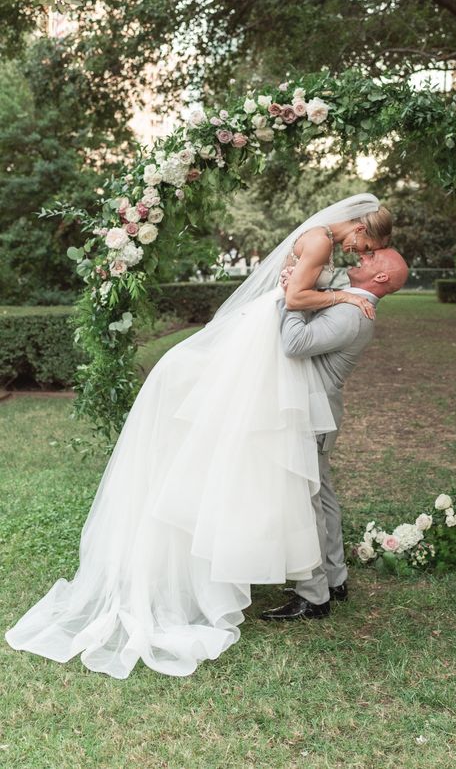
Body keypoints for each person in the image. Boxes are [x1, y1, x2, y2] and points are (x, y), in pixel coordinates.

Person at [5, 194, 392, 679]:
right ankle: (312, 579)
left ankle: (319, 578)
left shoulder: (323, 245)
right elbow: (295, 300)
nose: (360, 252)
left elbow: (296, 298)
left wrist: (336, 293)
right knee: (272, 463)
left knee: (296, 476)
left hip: (270, 339)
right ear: (358, 226)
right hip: (268, 337)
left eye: (367, 252)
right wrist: (346, 296)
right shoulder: (319, 240)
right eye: (365, 244)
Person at [262, 248, 409, 621]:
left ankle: (313, 595)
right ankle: (334, 577)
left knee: (306, 501)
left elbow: (294, 344)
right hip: (319, 412)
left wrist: (291, 298)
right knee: (322, 495)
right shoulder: (349, 302)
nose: (363, 256)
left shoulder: (352, 314)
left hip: (311, 415)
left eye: (373, 258)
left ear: (380, 277)